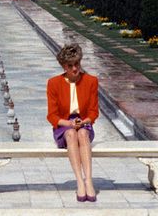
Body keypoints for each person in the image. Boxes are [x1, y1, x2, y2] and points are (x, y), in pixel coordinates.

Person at [47, 43, 99, 202]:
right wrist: (69, 124)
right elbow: (52, 116)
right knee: (71, 134)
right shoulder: (54, 83)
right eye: (70, 66)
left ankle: (88, 180)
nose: (75, 69)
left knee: (82, 134)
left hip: (84, 122)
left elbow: (94, 112)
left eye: (77, 64)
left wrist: (84, 122)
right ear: (64, 66)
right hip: (64, 125)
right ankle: (79, 182)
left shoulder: (91, 81)